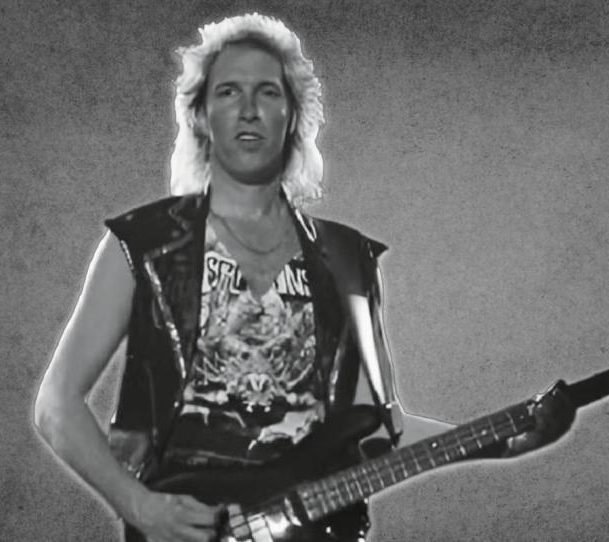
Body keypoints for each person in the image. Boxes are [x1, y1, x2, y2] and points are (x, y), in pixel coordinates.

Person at [34, 13, 575, 542]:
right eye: (228, 92)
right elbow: (56, 404)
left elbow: (378, 427)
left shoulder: (346, 259)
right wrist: (139, 506)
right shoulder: (144, 243)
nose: (249, 110)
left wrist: (503, 439)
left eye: (268, 92)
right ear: (200, 114)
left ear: (294, 115)